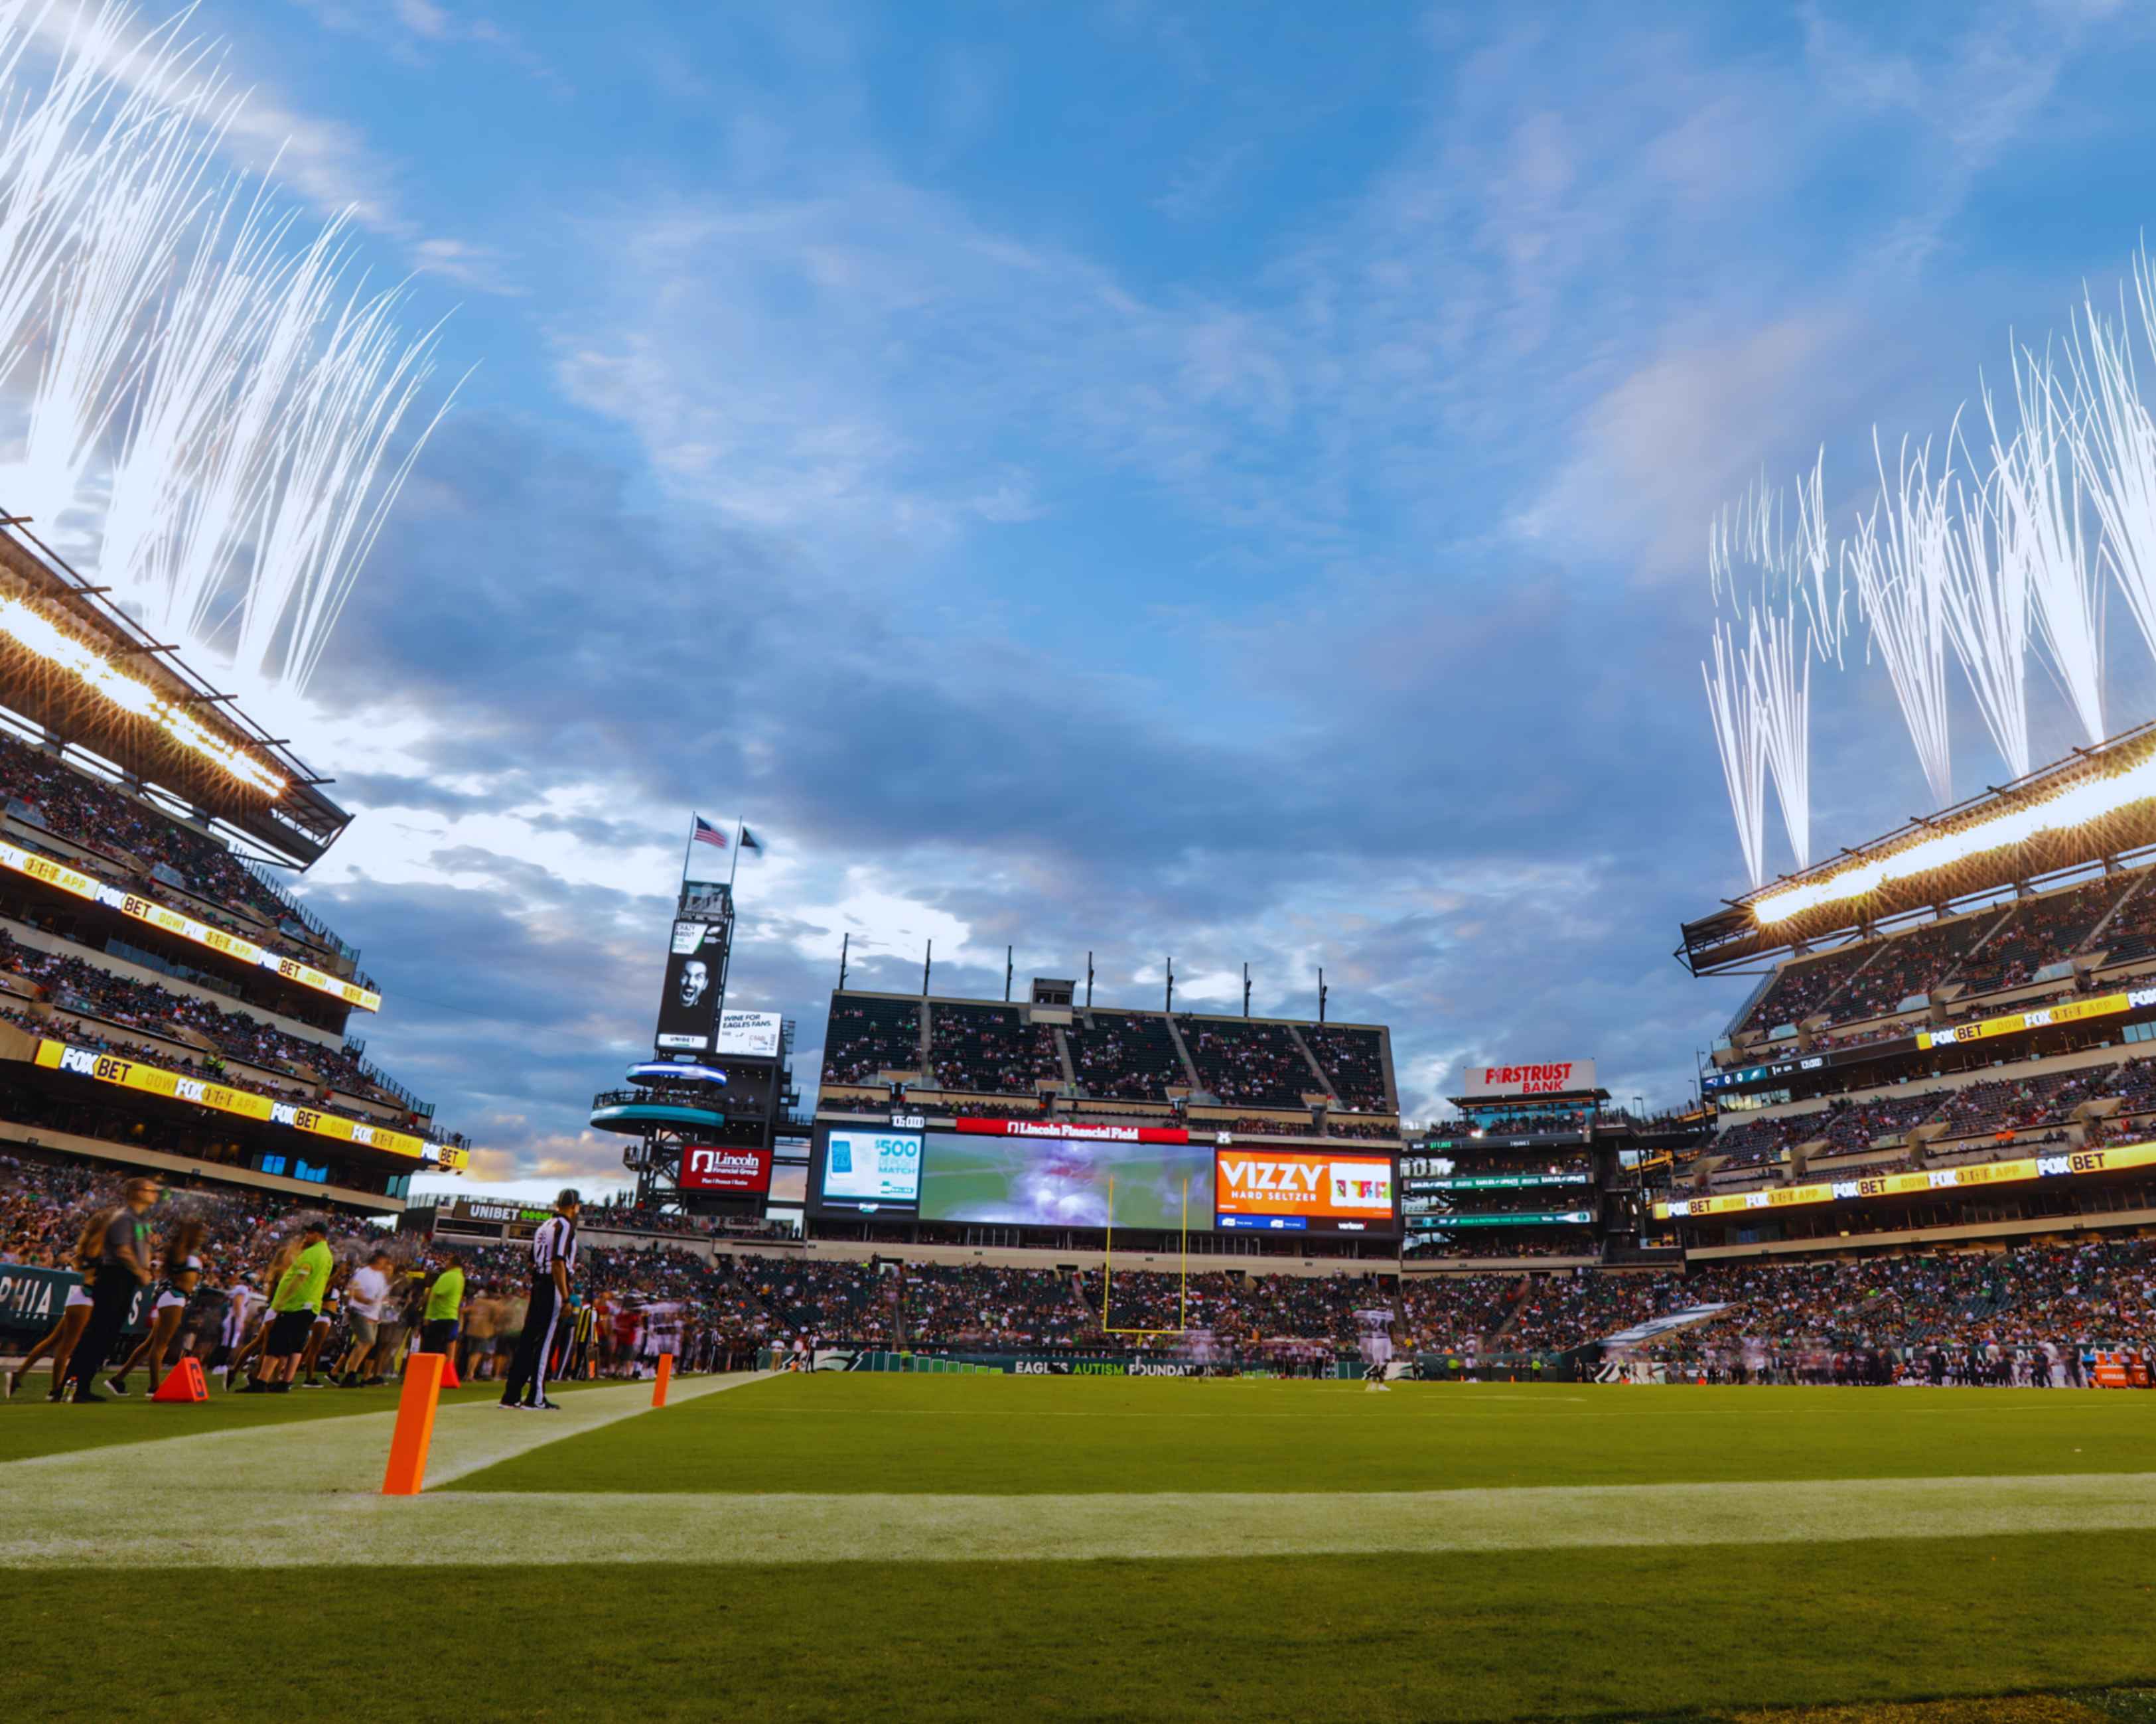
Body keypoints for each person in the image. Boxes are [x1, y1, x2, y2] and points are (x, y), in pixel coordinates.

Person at [63, 1179, 160, 1403]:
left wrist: (145, 1264)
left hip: (126, 1280)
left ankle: (82, 1384)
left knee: (107, 1335)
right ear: (136, 1193)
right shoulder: (123, 1218)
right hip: (114, 1277)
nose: (155, 1194)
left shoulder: (139, 1221)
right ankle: (75, 1383)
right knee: (98, 1332)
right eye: (150, 1190)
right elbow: (122, 1250)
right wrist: (141, 1271)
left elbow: (140, 1249)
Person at [6, 1208, 108, 1401]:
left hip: (82, 1298)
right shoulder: (96, 1244)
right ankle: (55, 1391)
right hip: (85, 1299)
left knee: (52, 1342)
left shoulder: (93, 1244)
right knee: (66, 1348)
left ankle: (19, 1375)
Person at [106, 1219, 206, 1396]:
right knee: (161, 1345)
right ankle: (154, 1387)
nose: (202, 1238)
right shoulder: (180, 1251)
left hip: (175, 1298)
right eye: (199, 1234)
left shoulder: (185, 1252)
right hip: (174, 1297)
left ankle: (118, 1380)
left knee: (150, 1344)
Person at [500, 1188, 579, 1411]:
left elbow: (533, 1260)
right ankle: (535, 1397)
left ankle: (511, 1394)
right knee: (545, 1342)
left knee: (528, 1340)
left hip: (539, 1283)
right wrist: (565, 1297)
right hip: (552, 1284)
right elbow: (558, 1262)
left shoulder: (544, 1226)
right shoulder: (565, 1226)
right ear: (575, 1207)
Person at [250, 1222, 332, 1394]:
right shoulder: (327, 1254)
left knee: (277, 1343)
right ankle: (285, 1382)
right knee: (296, 1346)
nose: (306, 1237)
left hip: (296, 1304)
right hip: (311, 1305)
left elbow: (299, 1279)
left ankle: (261, 1381)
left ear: (317, 1234)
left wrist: (282, 1301)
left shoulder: (312, 1253)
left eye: (309, 1233)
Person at [418, 1257, 465, 1364]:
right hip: (449, 1315)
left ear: (453, 1263)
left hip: (440, 1315)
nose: (445, 1262)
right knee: (440, 1350)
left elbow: (438, 1293)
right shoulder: (460, 1277)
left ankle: (426, 1375)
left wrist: (428, 1315)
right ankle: (435, 1375)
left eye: (448, 1260)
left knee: (431, 1349)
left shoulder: (449, 1276)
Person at [1355, 1305, 1395, 1393]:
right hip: (1385, 1340)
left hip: (1375, 1340)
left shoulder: (1371, 1314)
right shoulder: (1389, 1315)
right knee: (1384, 1364)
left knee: (1377, 1364)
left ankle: (1373, 1383)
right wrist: (1394, 1342)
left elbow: (1364, 1324)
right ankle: (1380, 1384)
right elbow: (1391, 1329)